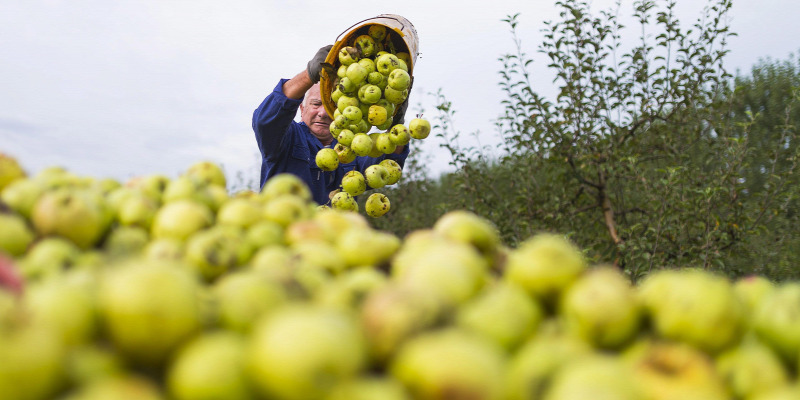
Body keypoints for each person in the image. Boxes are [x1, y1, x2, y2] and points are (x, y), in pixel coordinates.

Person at [252, 45, 410, 205]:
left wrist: (395, 124)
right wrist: (309, 75)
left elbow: (389, 164)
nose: (323, 112)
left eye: (330, 105)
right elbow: (265, 121)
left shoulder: (351, 147)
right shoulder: (288, 138)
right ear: (302, 107)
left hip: (335, 229)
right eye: (316, 104)